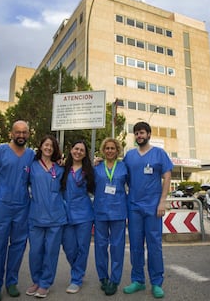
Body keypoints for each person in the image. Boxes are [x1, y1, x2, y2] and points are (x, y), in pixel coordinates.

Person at [0, 120, 35, 301]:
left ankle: (11, 282)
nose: (21, 135)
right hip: (1, 205)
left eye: (24, 132)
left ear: (28, 134)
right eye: (18, 132)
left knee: (18, 246)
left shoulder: (31, 155)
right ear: (12, 134)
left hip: (22, 207)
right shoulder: (0, 150)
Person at [122, 121, 173, 299]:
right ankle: (138, 280)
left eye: (142, 133)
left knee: (154, 246)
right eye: (136, 133)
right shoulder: (129, 156)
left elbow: (167, 177)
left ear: (149, 134)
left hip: (153, 208)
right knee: (135, 246)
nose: (139, 136)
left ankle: (157, 282)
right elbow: (122, 176)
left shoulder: (159, 154)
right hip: (134, 206)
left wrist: (162, 202)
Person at [26, 135, 67, 298]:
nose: (48, 148)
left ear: (55, 149)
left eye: (51, 145)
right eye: (46, 145)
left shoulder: (60, 168)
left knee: (51, 251)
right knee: (35, 251)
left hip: (56, 217)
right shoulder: (32, 166)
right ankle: (36, 280)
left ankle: (45, 283)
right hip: (36, 215)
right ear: (41, 146)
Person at [93, 138, 128, 296]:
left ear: (117, 150)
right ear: (103, 150)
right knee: (100, 246)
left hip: (118, 211)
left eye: (112, 148)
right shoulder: (97, 167)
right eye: (107, 148)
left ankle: (114, 280)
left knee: (117, 247)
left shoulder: (124, 167)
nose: (109, 151)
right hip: (100, 211)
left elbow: (131, 185)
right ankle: (103, 278)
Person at [61, 140, 95, 294]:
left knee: (82, 248)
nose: (78, 152)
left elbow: (95, 190)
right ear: (71, 150)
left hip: (84, 214)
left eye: (82, 150)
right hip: (66, 213)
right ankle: (78, 270)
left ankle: (76, 279)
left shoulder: (89, 171)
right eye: (76, 149)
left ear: (85, 153)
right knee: (69, 248)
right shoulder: (63, 168)